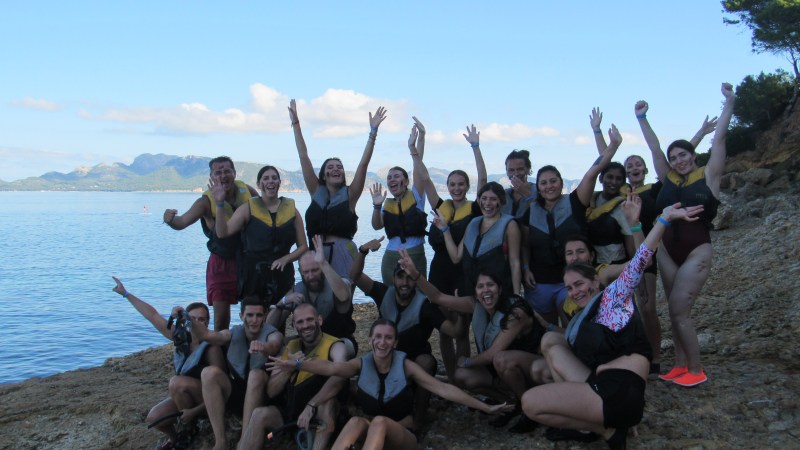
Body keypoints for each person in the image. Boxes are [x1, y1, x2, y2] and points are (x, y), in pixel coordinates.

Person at [520, 202, 705, 449]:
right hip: (600, 383)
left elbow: (640, 261)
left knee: (531, 402)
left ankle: (604, 426)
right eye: (570, 288)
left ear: (596, 281)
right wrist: (542, 324)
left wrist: (663, 220)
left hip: (618, 390)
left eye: (580, 284)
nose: (575, 292)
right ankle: (604, 429)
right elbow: (566, 348)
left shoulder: (612, 298)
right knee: (550, 344)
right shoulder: (580, 318)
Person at [593, 107, 717, 377]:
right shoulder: (623, 193)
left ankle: (664, 358)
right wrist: (599, 134)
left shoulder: (661, 186)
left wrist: (701, 133)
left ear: (646, 169)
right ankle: (654, 356)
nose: (634, 167)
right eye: (629, 166)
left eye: (638, 164)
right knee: (645, 305)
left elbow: (672, 155)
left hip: (662, 249)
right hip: (641, 254)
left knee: (663, 307)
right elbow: (606, 165)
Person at [266, 319, 513, 450]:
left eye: (388, 338)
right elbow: (332, 368)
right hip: (371, 436)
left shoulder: (406, 366)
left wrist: (484, 407)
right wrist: (297, 365)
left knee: (381, 422)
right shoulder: (361, 364)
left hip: (403, 438)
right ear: (371, 340)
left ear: (395, 343)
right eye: (378, 337)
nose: (382, 343)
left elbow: (444, 388)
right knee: (355, 421)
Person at [634, 83, 735, 386]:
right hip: (667, 251)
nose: (678, 160)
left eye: (683, 155)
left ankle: (696, 370)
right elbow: (654, 148)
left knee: (680, 311)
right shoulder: (668, 179)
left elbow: (720, 139)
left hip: (696, 248)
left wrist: (729, 102)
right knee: (673, 310)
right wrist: (641, 118)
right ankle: (680, 364)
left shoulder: (708, 175)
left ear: (693, 155)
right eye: (674, 156)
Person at [398, 250, 544, 433]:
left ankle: (528, 409)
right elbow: (437, 297)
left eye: (490, 285)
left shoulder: (516, 311)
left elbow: (492, 354)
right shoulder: (475, 304)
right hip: (501, 368)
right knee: (460, 376)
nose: (486, 291)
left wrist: (467, 361)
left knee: (499, 360)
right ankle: (509, 403)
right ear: (474, 290)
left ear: (500, 287)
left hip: (531, 366)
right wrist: (415, 273)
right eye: (480, 286)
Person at [350, 238, 462, 428]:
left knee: (426, 362)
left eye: (409, 277)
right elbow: (355, 276)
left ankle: (418, 420)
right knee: (351, 385)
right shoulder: (383, 293)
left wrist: (459, 310)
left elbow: (454, 332)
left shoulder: (425, 306)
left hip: (414, 362)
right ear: (393, 279)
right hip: (385, 359)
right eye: (400, 277)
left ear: (416, 280)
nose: (404, 282)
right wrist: (362, 251)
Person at [521, 126, 622, 326]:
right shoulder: (530, 212)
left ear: (560, 183)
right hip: (540, 283)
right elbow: (524, 245)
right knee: (548, 329)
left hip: (571, 281)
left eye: (553, 181)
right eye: (543, 183)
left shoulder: (575, 202)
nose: (549, 186)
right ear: (538, 188)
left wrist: (613, 146)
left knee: (574, 326)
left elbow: (592, 173)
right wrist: (525, 268)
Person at [112, 276, 225, 450]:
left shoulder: (212, 347)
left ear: (208, 323)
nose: (196, 323)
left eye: (201, 319)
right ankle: (176, 437)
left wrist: (193, 412)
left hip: (208, 401)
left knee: (176, 382)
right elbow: (152, 315)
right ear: (185, 321)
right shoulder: (180, 338)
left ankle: (190, 428)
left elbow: (223, 390)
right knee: (154, 419)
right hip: (184, 398)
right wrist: (126, 293)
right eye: (192, 318)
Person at [414, 123, 487, 381]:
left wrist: (475, 147)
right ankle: (453, 374)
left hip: (462, 271)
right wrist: (414, 151)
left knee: (461, 327)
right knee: (444, 329)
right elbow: (423, 179)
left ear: (467, 186)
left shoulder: (475, 208)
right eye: (452, 184)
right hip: (440, 270)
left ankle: (464, 371)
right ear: (447, 186)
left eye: (461, 184)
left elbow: (484, 178)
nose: (456, 188)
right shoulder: (441, 206)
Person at [289, 100, 387, 278]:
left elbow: (363, 164)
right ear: (324, 175)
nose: (336, 169)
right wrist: (296, 124)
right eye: (331, 167)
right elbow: (303, 156)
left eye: (339, 167)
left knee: (342, 301)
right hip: (315, 254)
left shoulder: (350, 195)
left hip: (343, 253)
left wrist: (373, 132)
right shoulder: (315, 191)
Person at [163, 156, 259, 331]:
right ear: (212, 176)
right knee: (222, 319)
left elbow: (264, 209)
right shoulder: (205, 203)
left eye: (227, 171)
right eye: (218, 173)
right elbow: (182, 222)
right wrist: (170, 220)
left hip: (247, 260)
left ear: (234, 173)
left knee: (253, 310)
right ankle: (218, 353)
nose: (223, 176)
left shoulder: (248, 191)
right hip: (221, 262)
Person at [238, 303, 349, 450]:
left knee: (327, 404)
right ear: (294, 325)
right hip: (292, 412)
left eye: (310, 320)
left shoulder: (335, 346)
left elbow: (341, 374)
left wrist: (312, 405)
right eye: (300, 322)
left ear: (319, 320)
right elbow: (271, 391)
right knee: (259, 414)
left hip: (319, 412)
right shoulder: (291, 347)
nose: (305, 325)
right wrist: (287, 370)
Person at [195, 297, 283, 450]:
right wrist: (188, 319)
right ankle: (220, 442)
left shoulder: (272, 333)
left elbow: (274, 345)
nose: (254, 320)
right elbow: (208, 336)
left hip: (263, 395)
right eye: (249, 315)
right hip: (238, 392)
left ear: (265, 316)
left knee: (255, 375)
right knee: (209, 373)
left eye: (259, 315)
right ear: (242, 316)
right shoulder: (233, 333)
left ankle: (244, 439)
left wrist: (263, 347)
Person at [212, 165, 308, 304]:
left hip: (282, 274)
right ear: (259, 184)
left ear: (279, 183)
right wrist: (220, 204)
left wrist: (286, 259)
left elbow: (303, 246)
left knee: (278, 317)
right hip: (253, 275)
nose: (271, 181)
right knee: (254, 318)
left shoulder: (292, 210)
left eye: (274, 178)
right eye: (266, 178)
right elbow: (222, 233)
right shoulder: (248, 208)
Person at [268, 235, 358, 357]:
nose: (311, 276)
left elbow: (344, 296)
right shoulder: (297, 290)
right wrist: (282, 302)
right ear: (300, 272)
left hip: (340, 340)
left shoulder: (337, 282)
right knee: (273, 346)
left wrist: (323, 262)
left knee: (333, 352)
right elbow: (269, 326)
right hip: (308, 342)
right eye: (306, 272)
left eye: (315, 270)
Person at [433, 181, 522, 297]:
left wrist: (516, 295)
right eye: (484, 198)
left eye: (493, 199)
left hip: (498, 291)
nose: (487, 203)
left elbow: (515, 263)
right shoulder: (473, 223)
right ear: (479, 201)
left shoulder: (510, 225)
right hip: (472, 291)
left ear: (501, 201)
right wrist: (445, 230)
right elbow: (456, 257)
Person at [371, 117, 428, 285]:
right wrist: (376, 206)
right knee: (391, 296)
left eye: (397, 176)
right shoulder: (386, 204)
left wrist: (421, 138)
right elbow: (376, 225)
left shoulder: (416, 195)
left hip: (414, 254)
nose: (392, 179)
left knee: (418, 295)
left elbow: (419, 167)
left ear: (406, 181)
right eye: (389, 178)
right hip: (390, 257)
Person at [502, 149, 536, 221]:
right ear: (507, 172)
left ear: (528, 169)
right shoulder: (504, 195)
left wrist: (527, 194)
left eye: (520, 169)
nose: (516, 174)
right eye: (511, 170)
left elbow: (542, 216)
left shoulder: (539, 191)